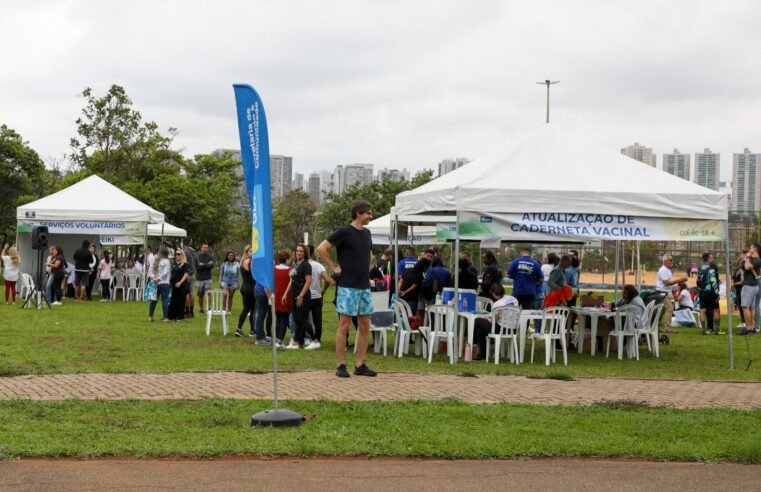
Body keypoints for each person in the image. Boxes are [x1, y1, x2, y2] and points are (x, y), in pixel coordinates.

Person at [316, 199, 377, 378]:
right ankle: (341, 364)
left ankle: (360, 364)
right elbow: (321, 248)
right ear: (359, 213)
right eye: (368, 213)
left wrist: (370, 264)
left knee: (365, 325)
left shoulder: (367, 234)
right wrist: (333, 267)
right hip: (348, 287)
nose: (371, 217)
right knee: (344, 325)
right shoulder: (344, 232)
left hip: (364, 286)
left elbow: (369, 255)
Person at [471, 283, 519, 360]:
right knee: (480, 331)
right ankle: (482, 355)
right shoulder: (513, 299)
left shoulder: (497, 304)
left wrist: (487, 318)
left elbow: (493, 322)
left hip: (500, 329)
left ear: (492, 293)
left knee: (477, 321)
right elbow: (505, 313)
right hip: (512, 329)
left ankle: (474, 345)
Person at [304, 245, 335, 350]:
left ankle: (311, 338)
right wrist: (324, 290)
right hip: (317, 296)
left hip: (305, 295)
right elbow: (327, 279)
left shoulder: (301, 265)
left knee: (302, 317)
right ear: (313, 253)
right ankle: (318, 339)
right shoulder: (319, 266)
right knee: (318, 320)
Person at [283, 244, 312, 349]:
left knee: (302, 319)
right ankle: (297, 342)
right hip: (294, 295)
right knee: (296, 319)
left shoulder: (306, 265)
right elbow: (291, 281)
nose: (298, 253)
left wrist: (301, 295)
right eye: (297, 251)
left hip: (302, 295)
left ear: (305, 253)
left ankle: (314, 339)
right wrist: (285, 293)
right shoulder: (295, 264)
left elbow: (308, 281)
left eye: (301, 251)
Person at [656, 254, 688, 334]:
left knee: (662, 310)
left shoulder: (668, 270)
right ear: (665, 261)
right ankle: (667, 327)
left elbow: (668, 283)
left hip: (666, 292)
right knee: (669, 308)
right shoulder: (663, 270)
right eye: (670, 260)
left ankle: (657, 326)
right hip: (662, 293)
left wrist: (674, 288)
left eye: (672, 260)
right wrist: (679, 280)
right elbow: (666, 283)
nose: (672, 262)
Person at [697, 252, 721, 335]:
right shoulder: (711, 269)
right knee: (715, 310)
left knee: (702, 310)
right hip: (710, 292)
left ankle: (704, 330)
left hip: (701, 292)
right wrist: (717, 293)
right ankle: (717, 330)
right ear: (707, 259)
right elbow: (714, 282)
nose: (713, 259)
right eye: (711, 258)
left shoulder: (700, 268)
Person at [739, 245, 761, 335]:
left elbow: (747, 267)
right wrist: (746, 259)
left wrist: (747, 257)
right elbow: (741, 265)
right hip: (752, 285)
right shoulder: (752, 259)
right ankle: (752, 327)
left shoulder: (757, 259)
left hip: (749, 285)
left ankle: (748, 328)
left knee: (745, 307)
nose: (750, 249)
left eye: (751, 247)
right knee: (751, 307)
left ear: (755, 249)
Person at [235, 246, 256, 338]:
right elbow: (252, 277)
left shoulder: (243, 261)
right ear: (247, 252)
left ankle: (239, 329)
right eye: (250, 251)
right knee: (252, 310)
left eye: (253, 251)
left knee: (246, 309)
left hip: (245, 287)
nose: (252, 253)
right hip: (250, 288)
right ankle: (251, 331)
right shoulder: (249, 262)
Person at [273, 250, 292, 349]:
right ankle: (279, 341)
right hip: (286, 297)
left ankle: (277, 340)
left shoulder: (273, 269)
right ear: (287, 259)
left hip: (275, 297)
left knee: (278, 319)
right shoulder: (290, 270)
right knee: (284, 320)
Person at [148, 247, 171, 322]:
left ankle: (150, 316)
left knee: (154, 300)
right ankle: (165, 317)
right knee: (165, 300)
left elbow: (150, 271)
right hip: (164, 283)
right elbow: (166, 272)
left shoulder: (155, 260)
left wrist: (154, 278)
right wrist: (159, 278)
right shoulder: (166, 261)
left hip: (155, 283)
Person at [167, 249, 190, 321]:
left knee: (180, 301)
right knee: (173, 300)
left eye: (178, 254)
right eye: (176, 254)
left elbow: (186, 274)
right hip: (174, 285)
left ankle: (180, 316)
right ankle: (171, 316)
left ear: (182, 255)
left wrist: (180, 282)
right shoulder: (175, 264)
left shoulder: (185, 264)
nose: (176, 256)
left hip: (181, 285)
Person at [195, 243, 214, 314]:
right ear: (201, 248)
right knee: (200, 294)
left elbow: (211, 266)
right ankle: (201, 308)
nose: (205, 249)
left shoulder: (210, 256)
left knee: (208, 293)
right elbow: (197, 267)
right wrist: (207, 264)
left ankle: (209, 308)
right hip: (199, 278)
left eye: (207, 247)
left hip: (208, 278)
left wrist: (203, 264)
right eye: (204, 247)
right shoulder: (197, 256)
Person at [183, 240, 197, 318]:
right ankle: (191, 312)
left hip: (187, 274)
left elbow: (184, 263)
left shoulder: (185, 252)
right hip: (192, 274)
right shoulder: (193, 252)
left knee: (186, 293)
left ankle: (187, 311)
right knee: (191, 293)